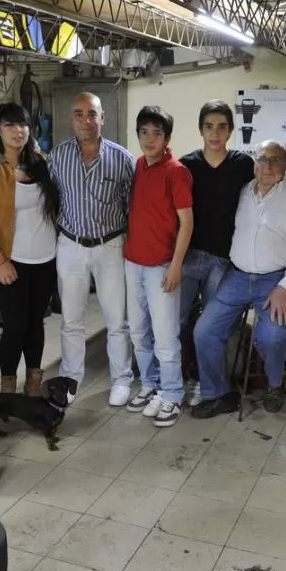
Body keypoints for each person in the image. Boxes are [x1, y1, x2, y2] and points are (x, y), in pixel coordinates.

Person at [191, 140, 286, 417]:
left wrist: (285, 287)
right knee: (204, 331)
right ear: (254, 162)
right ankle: (217, 393)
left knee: (272, 336)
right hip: (236, 277)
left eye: (276, 160)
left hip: (277, 280)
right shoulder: (243, 192)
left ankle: (274, 384)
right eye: (262, 159)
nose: (268, 166)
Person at [0, 102, 59, 397]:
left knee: (36, 323)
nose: (18, 131)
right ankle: (7, 391)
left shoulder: (41, 163)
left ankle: (33, 384)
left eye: (23, 125)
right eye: (10, 125)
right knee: (15, 326)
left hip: (46, 258)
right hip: (11, 260)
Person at [49, 92, 135, 406]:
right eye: (79, 114)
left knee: (116, 321)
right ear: (71, 119)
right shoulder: (57, 157)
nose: (85, 120)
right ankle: (70, 379)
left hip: (110, 245)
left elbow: (131, 206)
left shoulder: (123, 159)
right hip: (70, 246)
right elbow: (52, 199)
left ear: (103, 118)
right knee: (71, 320)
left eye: (91, 114)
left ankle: (121, 379)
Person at [178, 101, 255, 400]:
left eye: (222, 127)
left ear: (230, 131)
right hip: (188, 256)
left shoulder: (243, 165)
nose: (215, 133)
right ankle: (172, 380)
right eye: (209, 126)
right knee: (176, 321)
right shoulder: (186, 165)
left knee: (213, 327)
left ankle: (206, 380)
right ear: (200, 130)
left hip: (223, 260)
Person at [123, 106, 194, 426]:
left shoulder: (176, 172)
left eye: (157, 133)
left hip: (161, 266)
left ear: (167, 138)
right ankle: (150, 384)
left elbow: (187, 223)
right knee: (138, 332)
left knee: (165, 336)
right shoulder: (138, 165)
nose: (149, 139)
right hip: (132, 263)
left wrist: (176, 266)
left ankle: (173, 393)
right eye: (144, 132)